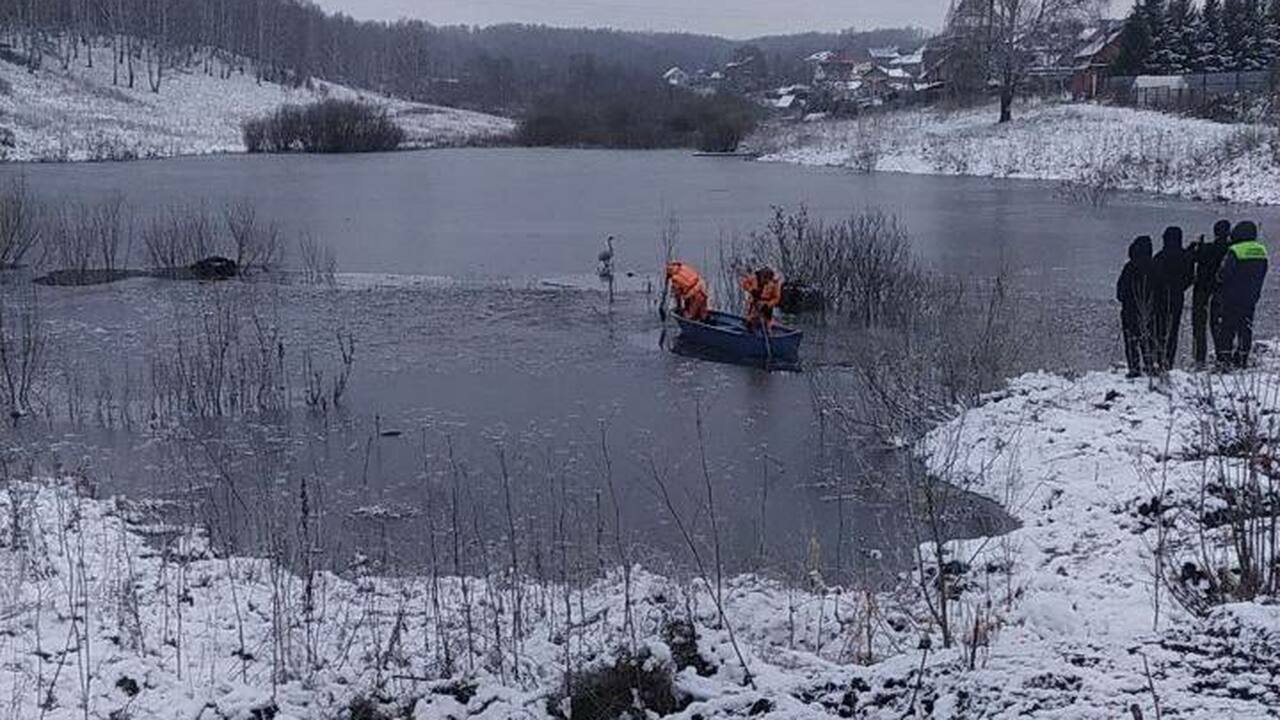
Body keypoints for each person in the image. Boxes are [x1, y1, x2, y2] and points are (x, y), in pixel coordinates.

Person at [1212, 221, 1268, 369]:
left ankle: (1224, 360)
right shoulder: (1262, 251)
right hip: (1251, 296)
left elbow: (1223, 274)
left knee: (1227, 329)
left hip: (1231, 296)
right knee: (1246, 328)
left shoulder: (1235, 250)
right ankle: (1242, 359)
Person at [1152, 226, 1194, 371]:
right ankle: (1168, 362)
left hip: (1160, 299)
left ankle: (1157, 359)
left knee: (1159, 329)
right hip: (1177, 297)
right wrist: (1180, 288)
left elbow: (1153, 279)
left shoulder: (1159, 257)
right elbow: (1190, 278)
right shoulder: (1186, 257)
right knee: (1173, 331)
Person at [1191, 220, 1232, 368]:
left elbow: (1193, 257)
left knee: (1199, 325)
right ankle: (1222, 357)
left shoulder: (1206, 248)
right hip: (1220, 289)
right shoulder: (1231, 250)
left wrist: (1197, 244)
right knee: (1218, 324)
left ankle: (1199, 359)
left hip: (1201, 289)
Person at [1117, 236, 1157, 378]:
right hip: (1151, 310)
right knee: (1149, 339)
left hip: (1130, 311)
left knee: (1131, 340)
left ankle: (1134, 368)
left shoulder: (1130, 267)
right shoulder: (1155, 267)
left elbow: (1120, 292)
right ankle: (1150, 364)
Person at [741, 267, 782, 333]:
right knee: (750, 321)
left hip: (767, 305)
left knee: (767, 324)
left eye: (766, 280)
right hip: (755, 302)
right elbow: (744, 283)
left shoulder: (775, 283)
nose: (764, 282)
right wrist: (751, 290)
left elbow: (776, 298)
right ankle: (749, 328)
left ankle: (768, 331)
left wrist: (767, 305)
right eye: (763, 279)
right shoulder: (754, 278)